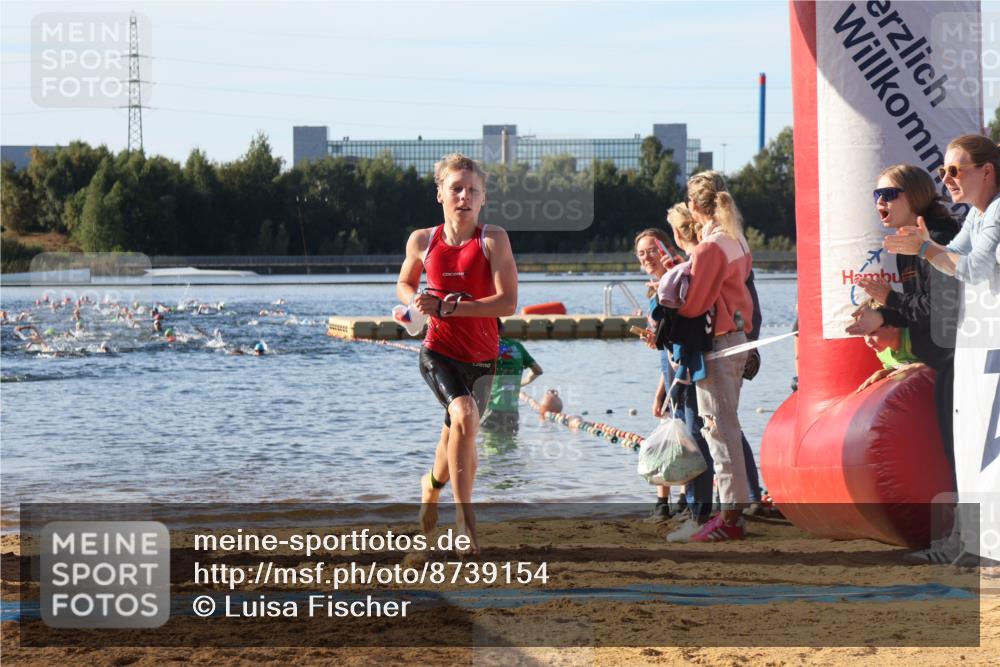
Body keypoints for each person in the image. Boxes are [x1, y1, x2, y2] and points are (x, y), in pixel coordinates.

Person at [396, 153, 518, 554]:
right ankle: (466, 522)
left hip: (482, 357)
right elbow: (404, 282)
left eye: (473, 190)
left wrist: (451, 306)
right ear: (440, 195)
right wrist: (414, 303)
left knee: (457, 436)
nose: (464, 196)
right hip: (439, 350)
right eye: (456, 189)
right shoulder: (422, 240)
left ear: (482, 199)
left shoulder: (492, 239)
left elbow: (507, 303)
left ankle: (430, 487)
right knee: (463, 415)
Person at [846, 164, 961, 478]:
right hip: (943, 363)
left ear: (916, 196)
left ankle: (973, 526)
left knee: (965, 454)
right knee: (953, 453)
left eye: (888, 194)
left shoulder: (939, 238)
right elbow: (919, 308)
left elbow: (942, 310)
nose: (879, 203)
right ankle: (966, 526)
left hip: (966, 363)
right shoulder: (905, 246)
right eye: (876, 195)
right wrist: (880, 316)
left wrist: (889, 300)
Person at [677, 171, 755, 542]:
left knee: (718, 430)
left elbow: (695, 305)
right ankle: (732, 512)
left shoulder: (710, 248)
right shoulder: (736, 239)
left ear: (694, 207)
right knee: (728, 426)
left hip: (718, 344)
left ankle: (730, 518)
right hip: (739, 338)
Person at [883, 135, 1000, 286]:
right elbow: (955, 252)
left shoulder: (997, 207)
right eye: (942, 172)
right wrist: (927, 243)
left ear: (986, 172)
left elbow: (976, 270)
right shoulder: (976, 212)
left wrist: (923, 248)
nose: (945, 179)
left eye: (953, 171)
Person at [634, 227, 682, 521]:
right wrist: (659, 391)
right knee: (666, 439)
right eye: (641, 253)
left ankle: (685, 503)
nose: (647, 257)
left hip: (685, 372)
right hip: (669, 372)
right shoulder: (654, 289)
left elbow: (679, 338)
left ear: (666, 249)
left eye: (652, 250)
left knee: (685, 438)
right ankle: (663, 504)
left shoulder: (676, 282)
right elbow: (665, 345)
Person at [480, 319, 542, 433]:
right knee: (510, 447)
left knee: (489, 447)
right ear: (502, 329)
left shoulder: (485, 347)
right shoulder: (517, 346)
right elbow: (538, 370)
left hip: (491, 409)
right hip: (512, 411)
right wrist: (519, 383)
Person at [853, 298, 924, 393]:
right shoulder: (883, 352)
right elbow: (900, 368)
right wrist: (883, 373)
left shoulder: (915, 338)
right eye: (863, 335)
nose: (868, 341)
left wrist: (922, 365)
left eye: (873, 332)